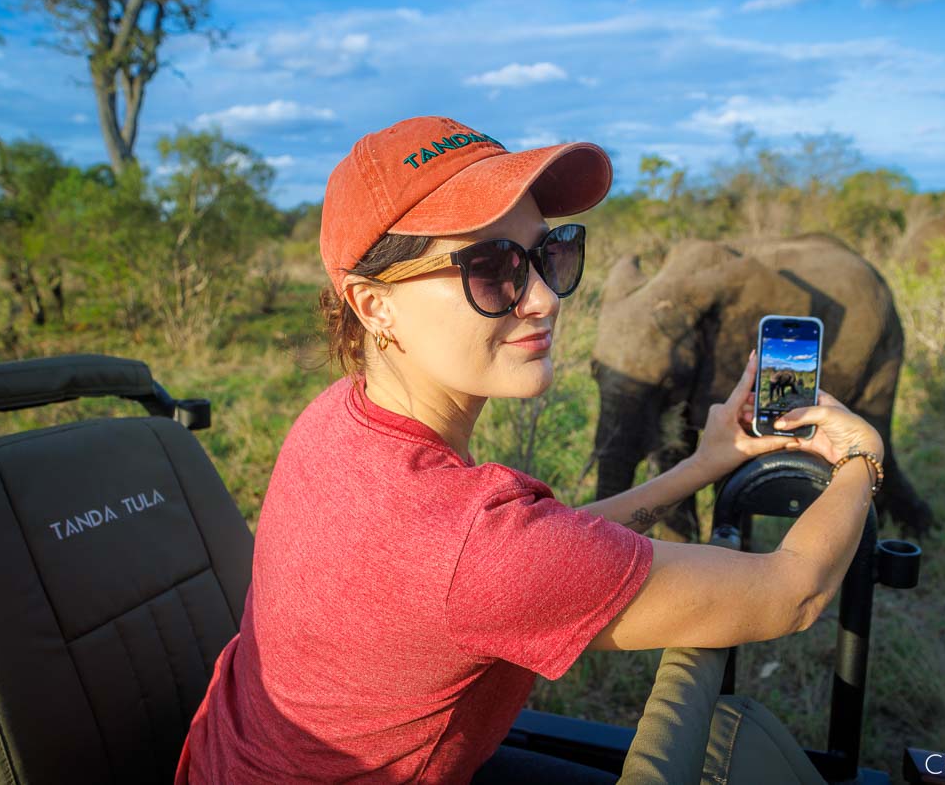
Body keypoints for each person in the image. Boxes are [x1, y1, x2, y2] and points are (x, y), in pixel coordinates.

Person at [175, 116, 884, 784]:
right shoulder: (476, 546)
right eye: (490, 268)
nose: (544, 297)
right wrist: (859, 462)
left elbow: (535, 557)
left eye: (552, 252)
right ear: (373, 303)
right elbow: (794, 592)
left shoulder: (335, 418)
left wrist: (701, 464)